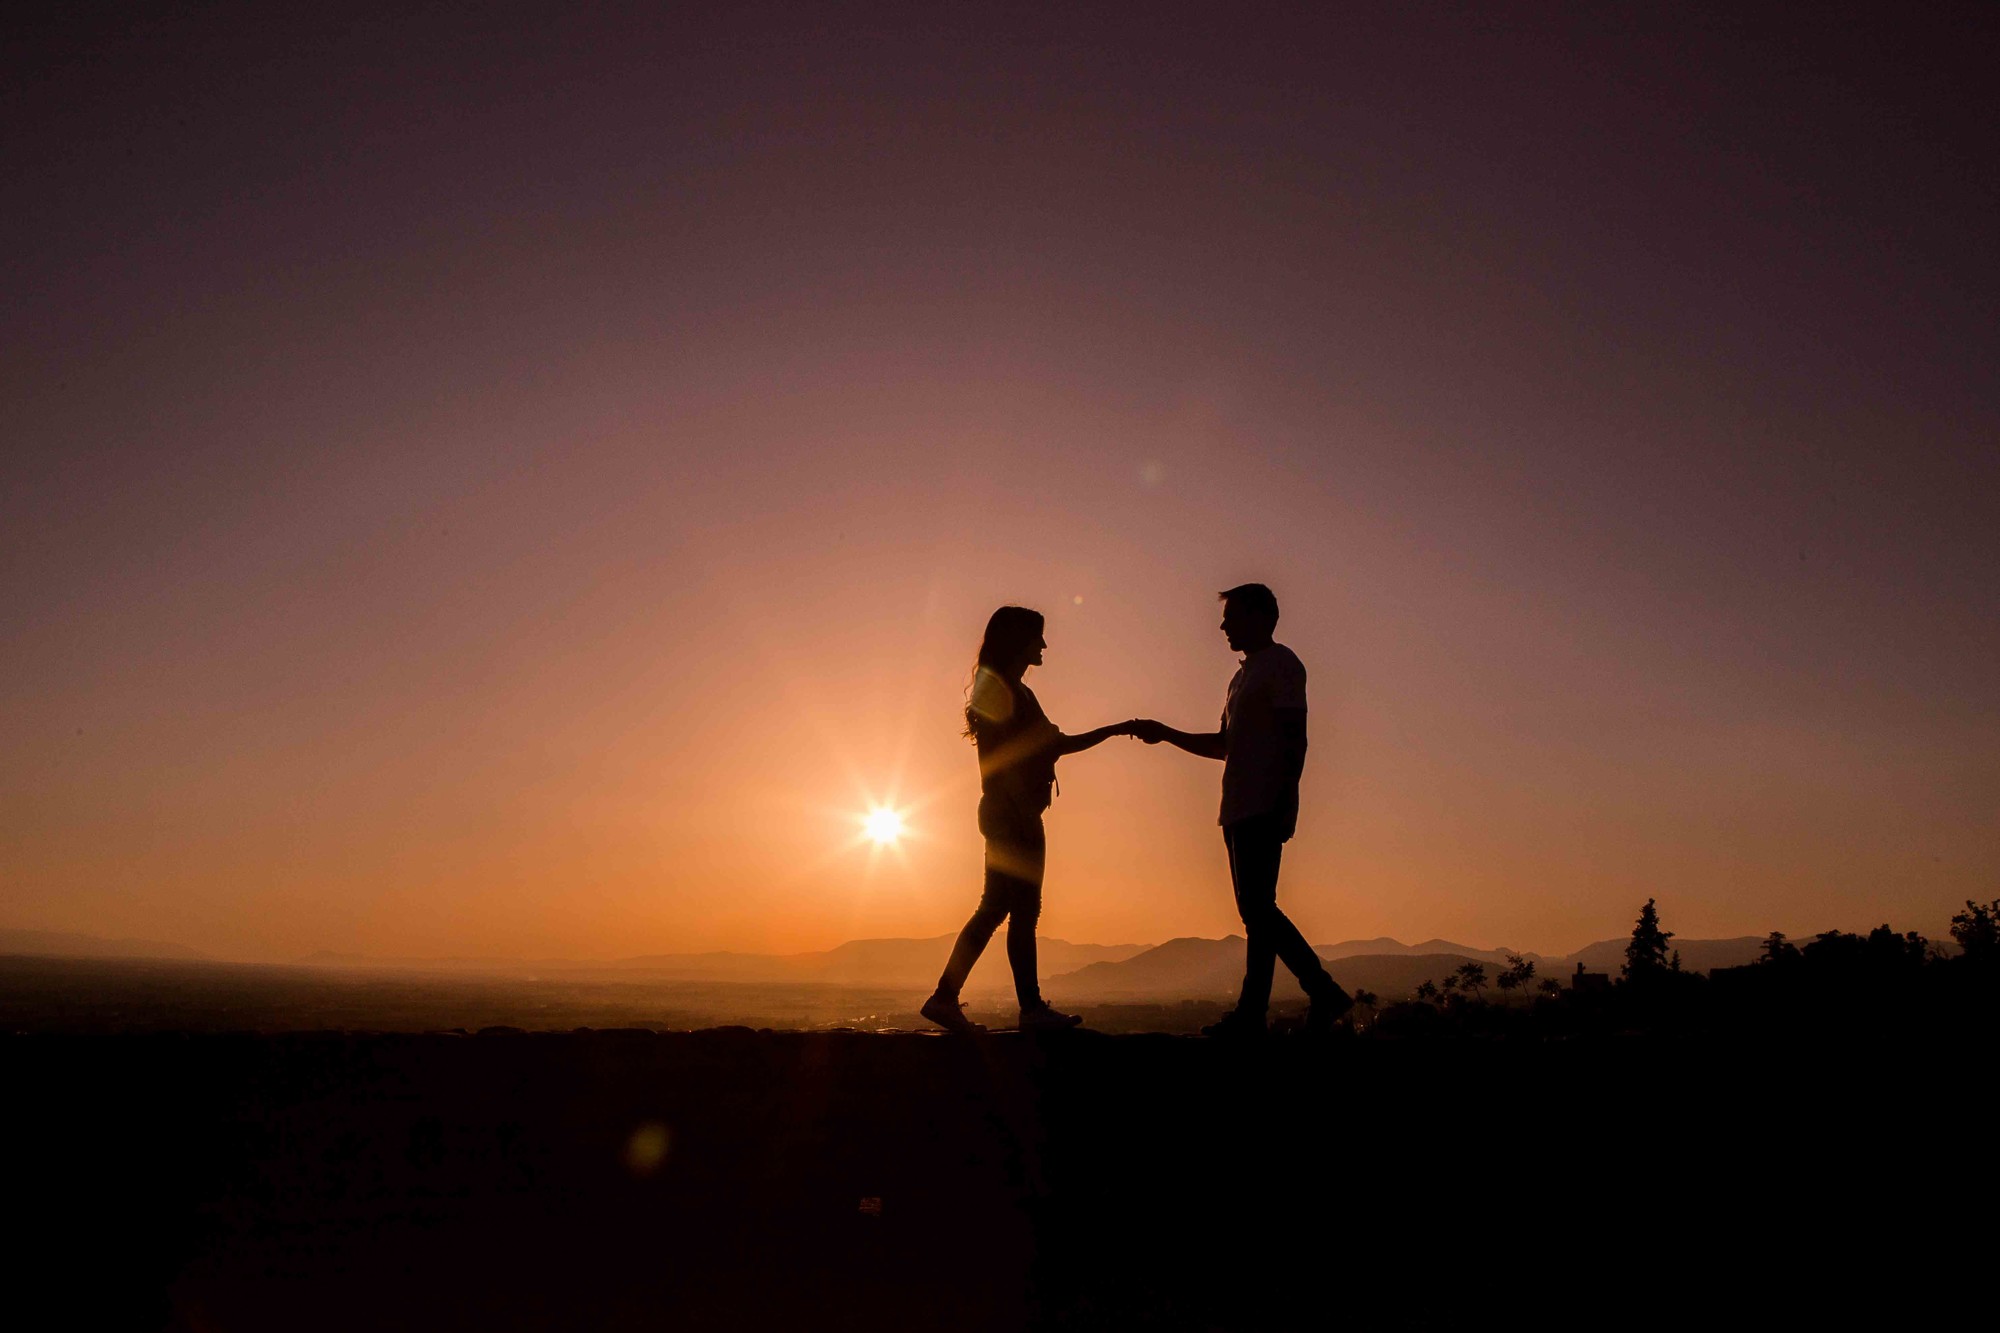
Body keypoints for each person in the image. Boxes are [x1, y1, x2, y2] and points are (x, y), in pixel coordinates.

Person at [1133, 584, 1353, 1036]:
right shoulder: (1241, 678)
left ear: (1259, 617)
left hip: (1263, 802)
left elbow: (1297, 737)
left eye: (1231, 616)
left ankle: (1313, 993)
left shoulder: (1282, 665)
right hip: (1236, 806)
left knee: (1258, 909)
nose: (1223, 626)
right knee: (1257, 911)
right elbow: (1224, 746)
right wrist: (1166, 735)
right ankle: (1261, 1010)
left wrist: (1287, 797)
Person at [922, 606, 1134, 1034]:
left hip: (1010, 814)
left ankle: (950, 997)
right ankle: (1025, 1008)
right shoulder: (1002, 691)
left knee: (998, 908)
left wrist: (1114, 730)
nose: (1044, 646)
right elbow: (1001, 763)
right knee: (1018, 911)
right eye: (1038, 637)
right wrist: (1021, 813)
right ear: (1019, 640)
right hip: (1013, 816)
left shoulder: (1014, 691)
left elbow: (1053, 746)